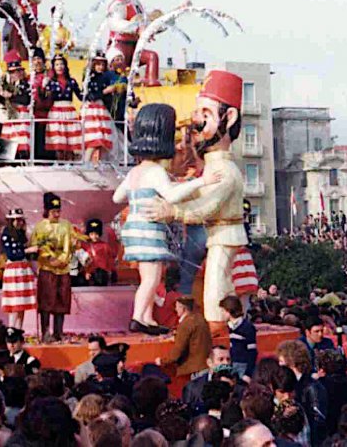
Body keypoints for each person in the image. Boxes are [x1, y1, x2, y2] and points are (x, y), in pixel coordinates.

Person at [139, 70, 248, 331]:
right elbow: (198, 193)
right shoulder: (212, 166)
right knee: (222, 283)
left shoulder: (225, 172)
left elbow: (206, 208)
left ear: (229, 118)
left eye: (206, 115)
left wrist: (172, 211)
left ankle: (219, 333)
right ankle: (234, 327)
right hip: (216, 235)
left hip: (224, 235)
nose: (196, 122)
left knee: (215, 290)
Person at [114, 103, 220, 335]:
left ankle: (147, 317)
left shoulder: (136, 172)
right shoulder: (156, 172)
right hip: (149, 227)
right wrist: (201, 181)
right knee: (151, 278)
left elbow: (117, 197)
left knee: (148, 275)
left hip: (133, 226)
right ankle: (138, 317)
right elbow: (172, 195)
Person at [28, 193, 75, 342]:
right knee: (47, 301)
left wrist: (63, 259)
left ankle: (58, 332)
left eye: (58, 211)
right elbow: (37, 246)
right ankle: (46, 332)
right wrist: (50, 259)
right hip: (47, 269)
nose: (56, 214)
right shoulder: (40, 226)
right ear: (47, 211)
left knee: (62, 300)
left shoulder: (66, 225)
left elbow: (69, 244)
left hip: (64, 268)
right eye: (53, 211)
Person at [161, 296, 212, 382]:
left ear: (182, 308)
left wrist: (163, 361)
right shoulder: (201, 319)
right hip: (204, 365)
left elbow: (178, 349)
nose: (175, 309)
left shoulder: (186, 324)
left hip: (193, 369)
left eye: (176, 307)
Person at [0, 208, 36, 329]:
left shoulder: (21, 234)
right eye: (16, 220)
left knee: (22, 305)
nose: (19, 222)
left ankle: (19, 330)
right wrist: (27, 250)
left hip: (23, 269)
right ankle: (11, 329)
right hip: (14, 270)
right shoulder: (6, 234)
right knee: (15, 304)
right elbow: (11, 254)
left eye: (21, 220)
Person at [0, 51, 32, 159]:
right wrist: (1, 95)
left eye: (17, 71)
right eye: (12, 72)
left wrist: (10, 96)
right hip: (10, 116)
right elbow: (1, 100)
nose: (15, 74)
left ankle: (23, 160)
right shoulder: (6, 85)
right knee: (9, 140)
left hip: (22, 116)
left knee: (22, 141)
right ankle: (9, 162)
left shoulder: (26, 84)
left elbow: (26, 99)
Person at [43, 54, 83, 161]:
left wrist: (87, 87)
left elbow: (81, 96)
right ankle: (60, 163)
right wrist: (43, 88)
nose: (59, 67)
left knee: (71, 142)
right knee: (58, 142)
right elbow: (44, 97)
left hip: (69, 110)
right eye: (57, 64)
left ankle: (72, 165)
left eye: (61, 64)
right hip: (56, 111)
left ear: (65, 66)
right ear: (53, 67)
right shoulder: (51, 82)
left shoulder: (72, 81)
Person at [82, 53, 116, 162]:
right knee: (94, 137)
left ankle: (99, 162)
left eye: (102, 65)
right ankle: (86, 161)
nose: (100, 67)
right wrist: (105, 91)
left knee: (103, 138)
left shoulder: (105, 78)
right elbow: (90, 96)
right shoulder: (89, 78)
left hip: (101, 110)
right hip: (92, 110)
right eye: (98, 64)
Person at [28, 47, 53, 161]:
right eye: (34, 59)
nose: (37, 62)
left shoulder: (49, 76)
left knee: (43, 146)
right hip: (31, 117)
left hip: (46, 116)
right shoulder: (29, 77)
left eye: (39, 59)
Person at [82, 218, 115, 287]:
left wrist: (110, 270)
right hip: (91, 274)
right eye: (91, 234)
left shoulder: (105, 246)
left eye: (96, 234)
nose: (94, 236)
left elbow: (110, 259)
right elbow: (84, 261)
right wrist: (87, 272)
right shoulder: (86, 246)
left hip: (103, 274)